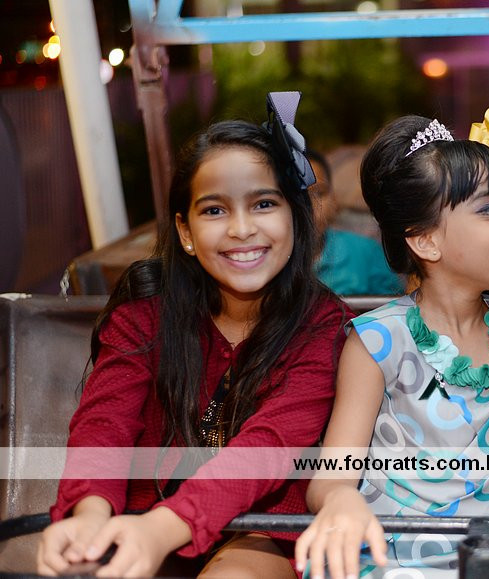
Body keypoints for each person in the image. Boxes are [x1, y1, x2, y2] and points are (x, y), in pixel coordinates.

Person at [37, 92, 352, 578]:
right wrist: (90, 516)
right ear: (185, 231)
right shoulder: (146, 310)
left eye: (264, 204)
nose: (242, 229)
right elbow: (105, 423)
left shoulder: (323, 326)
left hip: (259, 528)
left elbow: (268, 447)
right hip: (143, 518)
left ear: (295, 214)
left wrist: (159, 531)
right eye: (214, 211)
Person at [294, 114, 489, 579]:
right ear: (426, 240)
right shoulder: (377, 341)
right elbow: (333, 473)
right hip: (393, 554)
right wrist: (339, 499)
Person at [306, 149, 405, 296]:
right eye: (298, 195)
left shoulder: (365, 252)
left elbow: (394, 304)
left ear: (334, 199)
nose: (310, 206)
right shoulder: (272, 258)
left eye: (319, 193)